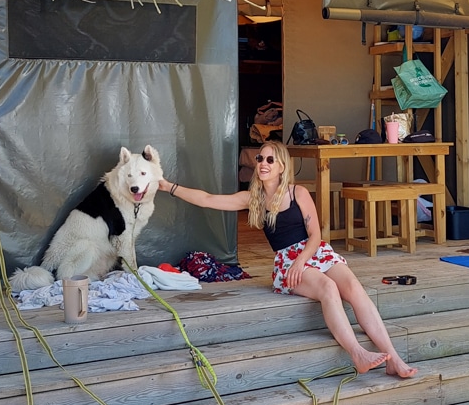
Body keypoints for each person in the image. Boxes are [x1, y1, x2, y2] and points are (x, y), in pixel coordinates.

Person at [160, 141, 417, 378]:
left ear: (282, 167)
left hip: (313, 252)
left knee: (353, 287)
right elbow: (207, 199)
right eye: (260, 159)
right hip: (286, 261)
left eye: (270, 160)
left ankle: (393, 359)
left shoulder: (298, 193)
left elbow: (316, 235)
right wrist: (168, 186)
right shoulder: (253, 199)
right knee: (328, 288)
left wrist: (302, 260)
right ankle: (357, 353)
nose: (263, 163)